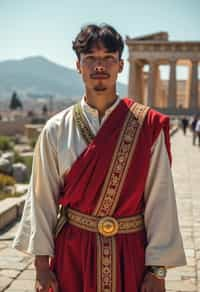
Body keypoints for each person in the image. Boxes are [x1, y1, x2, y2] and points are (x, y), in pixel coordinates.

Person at [12, 24, 186, 292]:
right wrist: (41, 267)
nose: (99, 65)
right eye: (90, 58)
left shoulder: (146, 125)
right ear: (78, 65)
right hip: (73, 253)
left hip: (131, 254)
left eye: (108, 58)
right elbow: (41, 200)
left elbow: (160, 200)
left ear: (121, 65)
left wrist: (158, 271)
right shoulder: (56, 129)